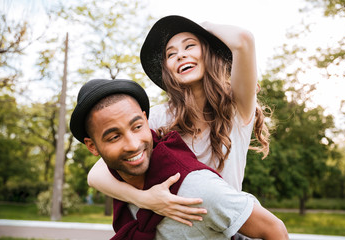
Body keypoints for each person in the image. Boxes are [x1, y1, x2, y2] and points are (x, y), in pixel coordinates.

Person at [87, 15, 271, 226]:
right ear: (168, 70)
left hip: (225, 228)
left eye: (190, 46)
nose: (181, 55)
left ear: (207, 52)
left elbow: (243, 39)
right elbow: (95, 175)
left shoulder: (237, 107)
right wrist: (147, 200)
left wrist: (203, 28)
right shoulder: (159, 116)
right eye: (171, 54)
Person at [70, 78, 288, 240]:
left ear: (147, 121)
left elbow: (274, 230)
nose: (133, 144)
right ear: (92, 146)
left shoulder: (198, 190)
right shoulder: (119, 184)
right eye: (114, 137)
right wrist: (143, 199)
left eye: (137, 127)